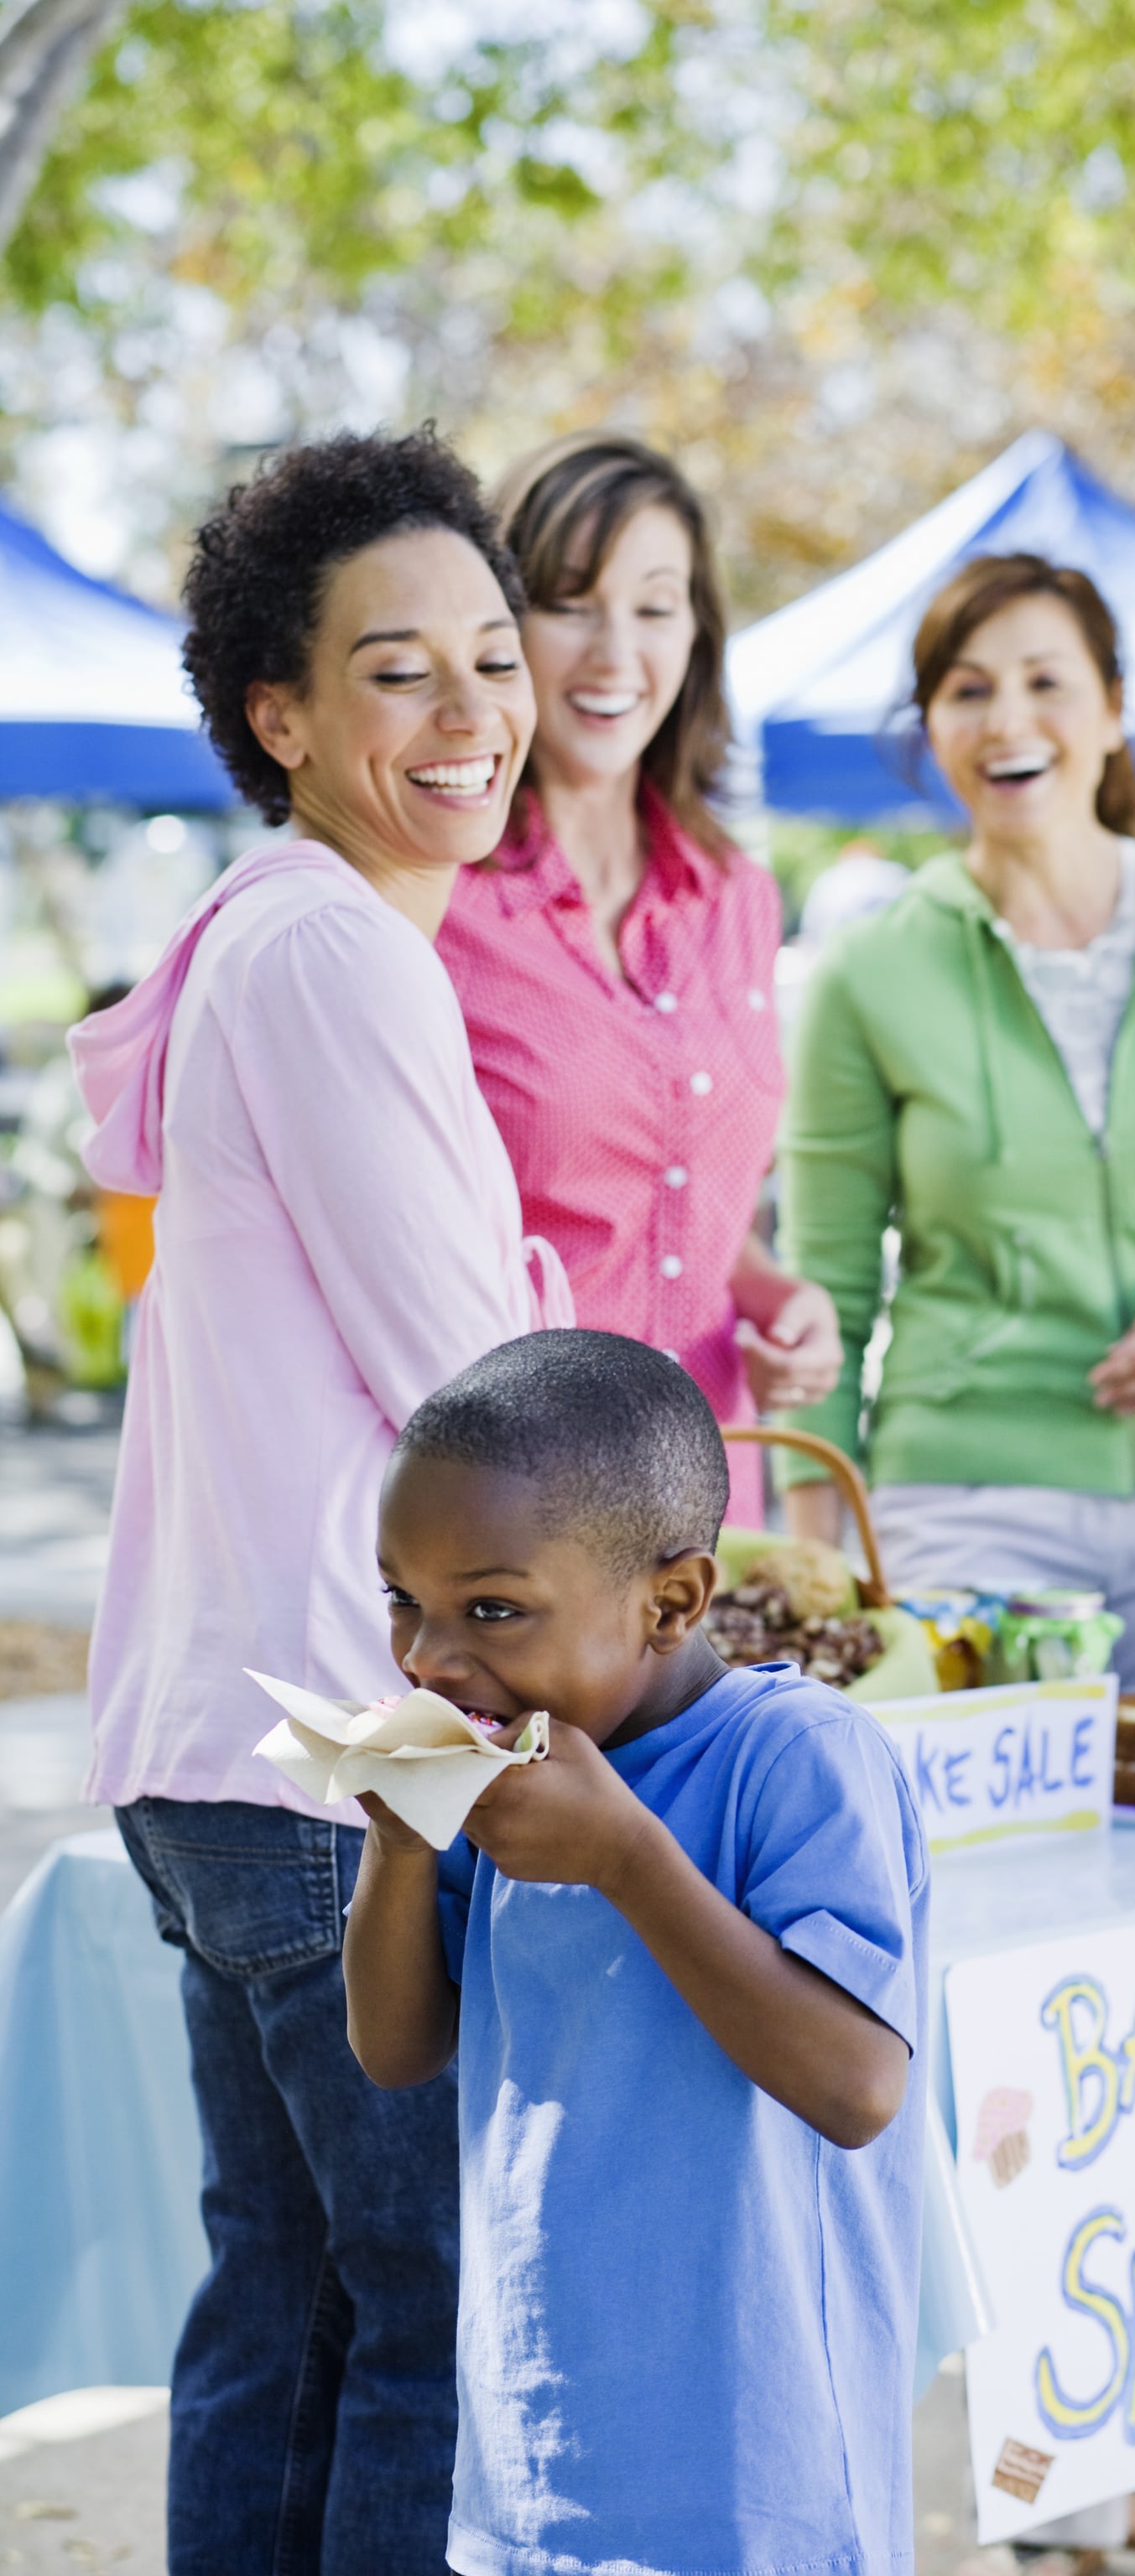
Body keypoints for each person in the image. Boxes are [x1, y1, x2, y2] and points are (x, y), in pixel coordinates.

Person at [68, 430, 573, 2576]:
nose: (471, 716)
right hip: (335, 1762)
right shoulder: (328, 957)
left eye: (490, 656)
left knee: (282, 2314)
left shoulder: (260, 938)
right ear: (279, 715)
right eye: (398, 672)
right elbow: (477, 1391)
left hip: (225, 1749)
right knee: (415, 2334)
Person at [343, 1327, 926, 2576]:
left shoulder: (799, 1759)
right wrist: (397, 1848)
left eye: (491, 1609)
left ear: (671, 1600)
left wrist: (630, 1861)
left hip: (751, 2478)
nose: (429, 1660)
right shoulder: (498, 1762)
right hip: (540, 2456)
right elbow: (396, 2051)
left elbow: (858, 2087)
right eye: (406, 1600)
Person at [778, 553, 1135, 1688]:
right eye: (968, 690)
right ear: (932, 728)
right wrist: (818, 1555)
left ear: (1111, 710)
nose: (1008, 720)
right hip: (966, 1504)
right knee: (975, 1854)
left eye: (1046, 681)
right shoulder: (869, 972)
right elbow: (827, 1290)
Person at [435, 434, 841, 1524]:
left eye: (657, 607)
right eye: (571, 601)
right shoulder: (435, 903)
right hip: (515, 1517)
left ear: (698, 635)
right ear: (499, 631)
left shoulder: (737, 895)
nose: (617, 651)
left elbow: (682, 1196)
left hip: (706, 1507)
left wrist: (777, 1294)